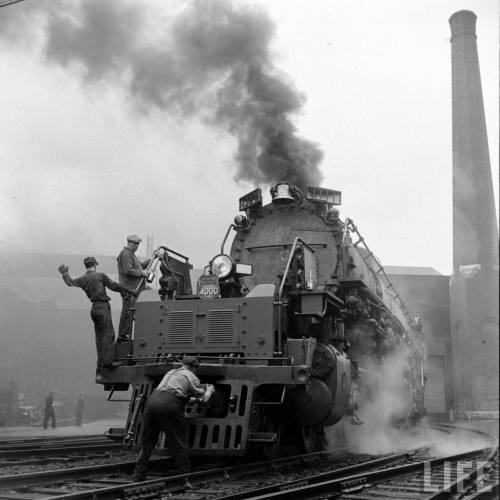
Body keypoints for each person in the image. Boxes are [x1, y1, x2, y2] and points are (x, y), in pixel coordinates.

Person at [132, 356, 213, 482]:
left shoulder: (170, 372)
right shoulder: (191, 376)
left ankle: (138, 474)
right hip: (169, 404)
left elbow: (177, 393)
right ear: (194, 368)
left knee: (147, 442)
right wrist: (210, 390)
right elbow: (203, 399)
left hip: (152, 401)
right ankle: (183, 476)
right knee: (178, 441)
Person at [58, 257, 137, 381]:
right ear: (94, 265)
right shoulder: (99, 275)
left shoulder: (83, 279)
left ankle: (100, 369)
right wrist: (129, 290)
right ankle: (109, 362)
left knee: (99, 338)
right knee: (108, 335)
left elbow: (70, 283)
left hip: (94, 309)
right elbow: (114, 286)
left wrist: (65, 274)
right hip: (102, 307)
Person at [116, 235, 151, 341]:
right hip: (129, 289)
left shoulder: (131, 255)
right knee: (128, 311)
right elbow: (128, 270)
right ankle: (123, 335)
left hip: (136, 288)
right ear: (131, 243)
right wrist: (142, 273)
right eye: (136, 244)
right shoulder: (125, 254)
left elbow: (141, 266)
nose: (137, 246)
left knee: (149, 294)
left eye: (138, 244)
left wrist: (151, 259)